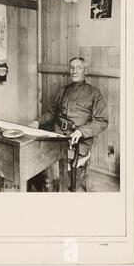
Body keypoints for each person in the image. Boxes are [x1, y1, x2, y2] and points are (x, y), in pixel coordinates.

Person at [29, 57, 109, 192]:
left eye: (78, 67)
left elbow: (102, 121)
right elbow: (51, 113)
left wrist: (81, 131)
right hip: (57, 136)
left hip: (78, 143)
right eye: (72, 68)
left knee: (50, 159)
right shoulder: (63, 90)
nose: (74, 71)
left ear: (86, 70)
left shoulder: (94, 93)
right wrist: (37, 122)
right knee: (32, 152)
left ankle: (53, 191)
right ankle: (46, 187)